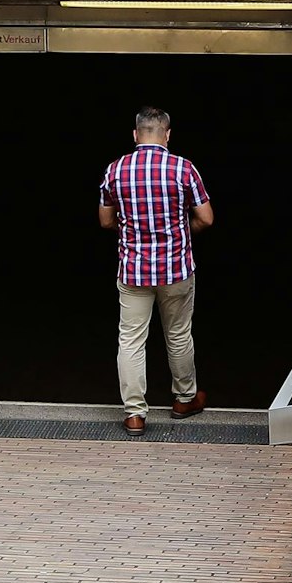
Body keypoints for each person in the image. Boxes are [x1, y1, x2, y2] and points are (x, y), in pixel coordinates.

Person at [98, 107, 214, 437]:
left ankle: (135, 414)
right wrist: (181, 231)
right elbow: (206, 218)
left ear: (136, 134)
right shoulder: (183, 169)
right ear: (167, 134)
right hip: (176, 269)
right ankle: (185, 399)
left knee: (131, 340)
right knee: (178, 335)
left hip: (133, 270)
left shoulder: (116, 170)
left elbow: (105, 221)